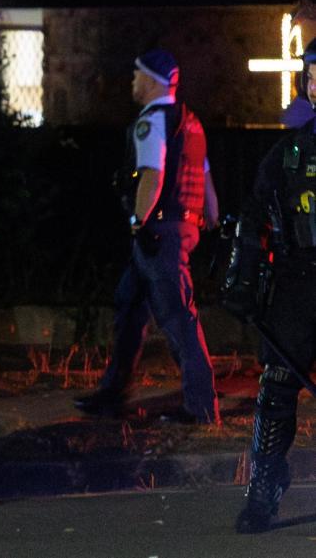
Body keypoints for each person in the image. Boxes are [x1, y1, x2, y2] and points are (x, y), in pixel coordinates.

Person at [74, 49, 220, 424]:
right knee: (129, 307)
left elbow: (151, 176)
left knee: (177, 317)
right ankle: (111, 393)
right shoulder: (190, 122)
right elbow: (204, 179)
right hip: (182, 227)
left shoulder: (152, 121)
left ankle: (201, 408)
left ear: (154, 80)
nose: (132, 82)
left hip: (158, 234)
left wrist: (139, 223)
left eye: (137, 76)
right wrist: (209, 217)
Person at [223, 40, 316, 533]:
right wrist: (241, 277)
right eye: (315, 76)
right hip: (298, 282)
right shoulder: (288, 153)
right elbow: (254, 214)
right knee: (278, 388)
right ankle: (263, 490)